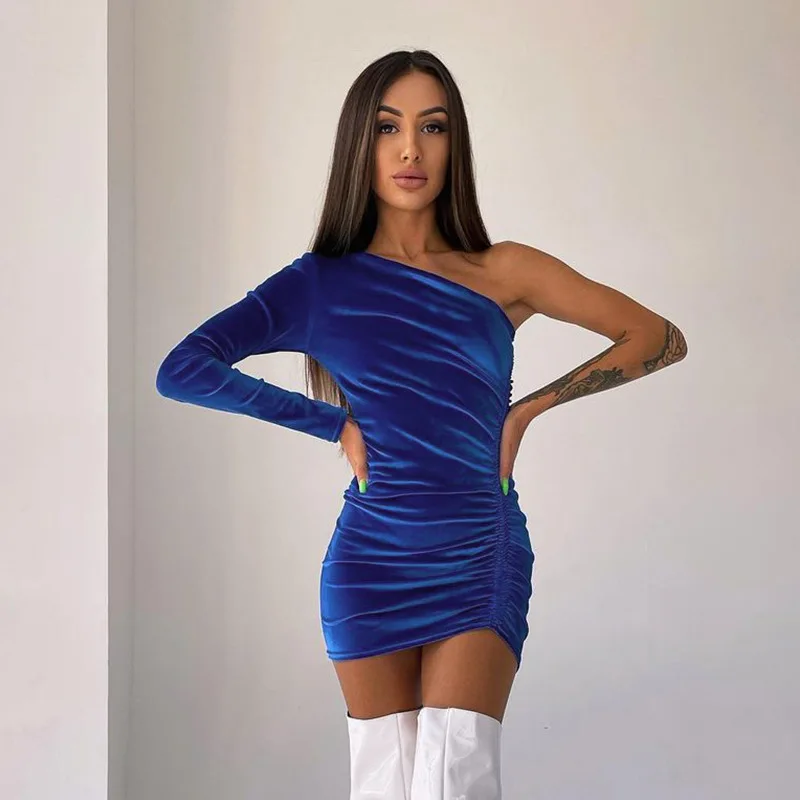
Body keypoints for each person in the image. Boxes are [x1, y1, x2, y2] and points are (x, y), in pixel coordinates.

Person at [155, 48, 688, 800]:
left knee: (455, 777)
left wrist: (528, 409)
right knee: (385, 781)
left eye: (432, 127)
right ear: (360, 144)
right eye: (388, 127)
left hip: (479, 545)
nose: (411, 149)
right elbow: (182, 368)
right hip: (369, 558)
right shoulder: (318, 282)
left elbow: (657, 336)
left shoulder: (504, 270)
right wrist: (330, 424)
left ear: (453, 143)